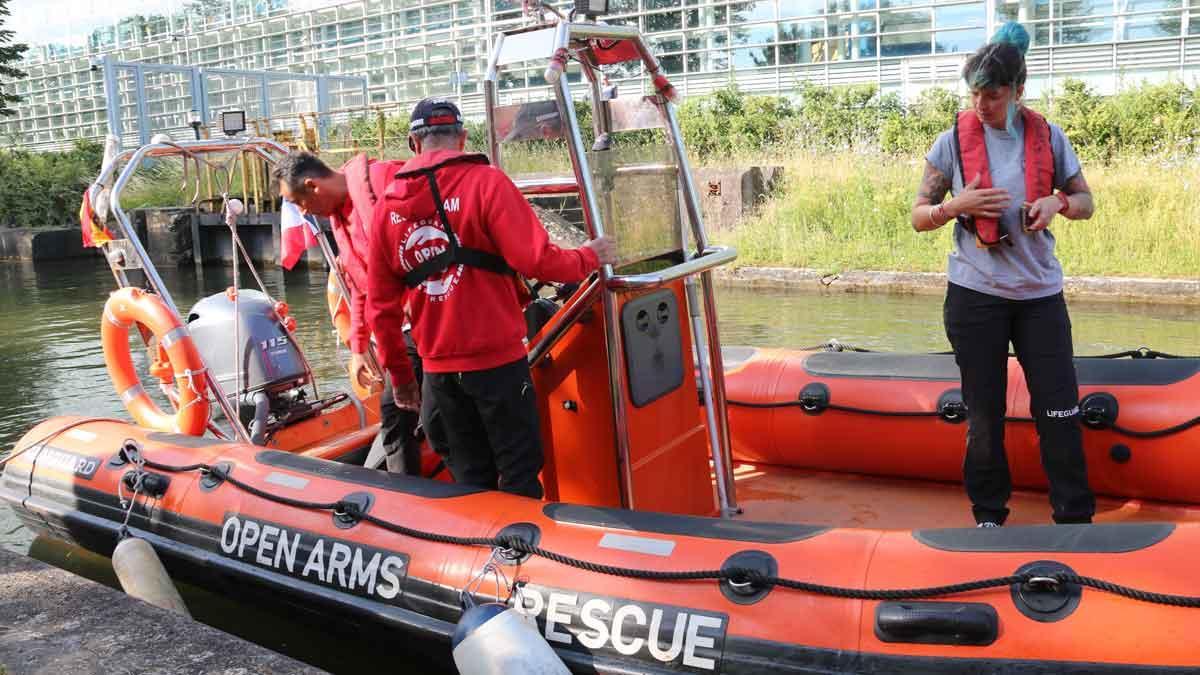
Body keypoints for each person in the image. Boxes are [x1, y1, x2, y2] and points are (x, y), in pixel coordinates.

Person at [366, 97, 617, 498]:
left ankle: (474, 553)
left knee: (468, 477)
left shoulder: (386, 208)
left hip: (438, 373)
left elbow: (380, 309)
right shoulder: (487, 183)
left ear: (414, 144)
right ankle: (517, 555)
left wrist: (401, 378)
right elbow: (536, 260)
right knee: (518, 471)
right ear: (462, 138)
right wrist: (589, 256)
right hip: (497, 364)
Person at [911, 22, 1096, 527]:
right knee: (984, 417)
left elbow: (1086, 202)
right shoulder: (951, 141)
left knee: (1059, 409)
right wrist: (956, 206)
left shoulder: (1050, 137)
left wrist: (1057, 202)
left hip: (1040, 296)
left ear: (1018, 90)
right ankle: (989, 516)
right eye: (974, 94)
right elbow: (918, 215)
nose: (981, 105)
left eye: (992, 95)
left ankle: (1075, 518)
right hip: (975, 296)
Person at [273, 151, 433, 475]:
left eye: (298, 202)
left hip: (432, 319)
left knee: (404, 414)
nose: (303, 212)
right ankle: (407, 496)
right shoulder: (341, 217)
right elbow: (361, 283)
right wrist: (359, 347)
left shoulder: (385, 180)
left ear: (312, 186)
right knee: (401, 416)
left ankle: (412, 500)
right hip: (404, 331)